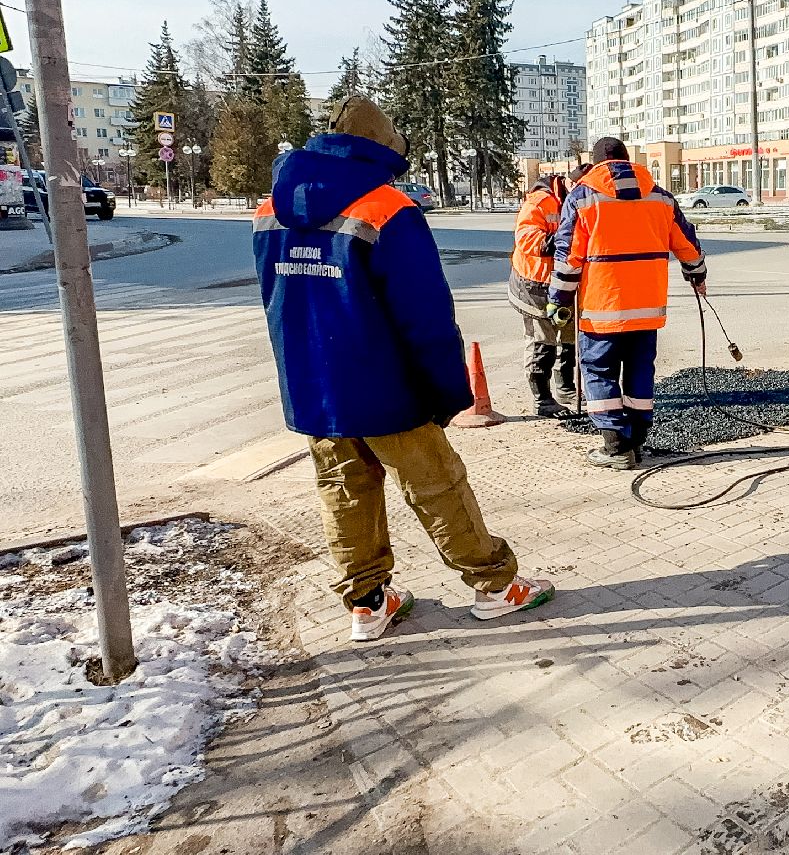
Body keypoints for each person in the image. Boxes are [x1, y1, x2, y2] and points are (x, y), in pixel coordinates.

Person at [252, 95, 553, 641]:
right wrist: (448, 390)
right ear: (383, 146)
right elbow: (425, 315)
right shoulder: (387, 208)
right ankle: (494, 586)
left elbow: (276, 296)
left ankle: (367, 604)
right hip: (387, 385)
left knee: (344, 490)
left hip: (314, 386)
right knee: (437, 485)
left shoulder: (269, 207)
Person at [546, 137, 707, 469]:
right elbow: (686, 243)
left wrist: (558, 298)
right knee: (639, 369)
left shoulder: (583, 198)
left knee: (599, 370)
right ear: (627, 161)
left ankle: (616, 447)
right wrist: (697, 274)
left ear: (596, 164)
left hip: (602, 308)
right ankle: (636, 440)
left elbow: (569, 258)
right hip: (647, 309)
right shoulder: (660, 197)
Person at [509, 165, 586, 416]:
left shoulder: (584, 200)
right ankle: (542, 398)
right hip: (535, 285)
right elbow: (526, 238)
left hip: (564, 282)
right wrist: (560, 242)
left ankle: (566, 387)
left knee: (569, 336)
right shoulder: (540, 202)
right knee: (542, 340)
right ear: (571, 185)